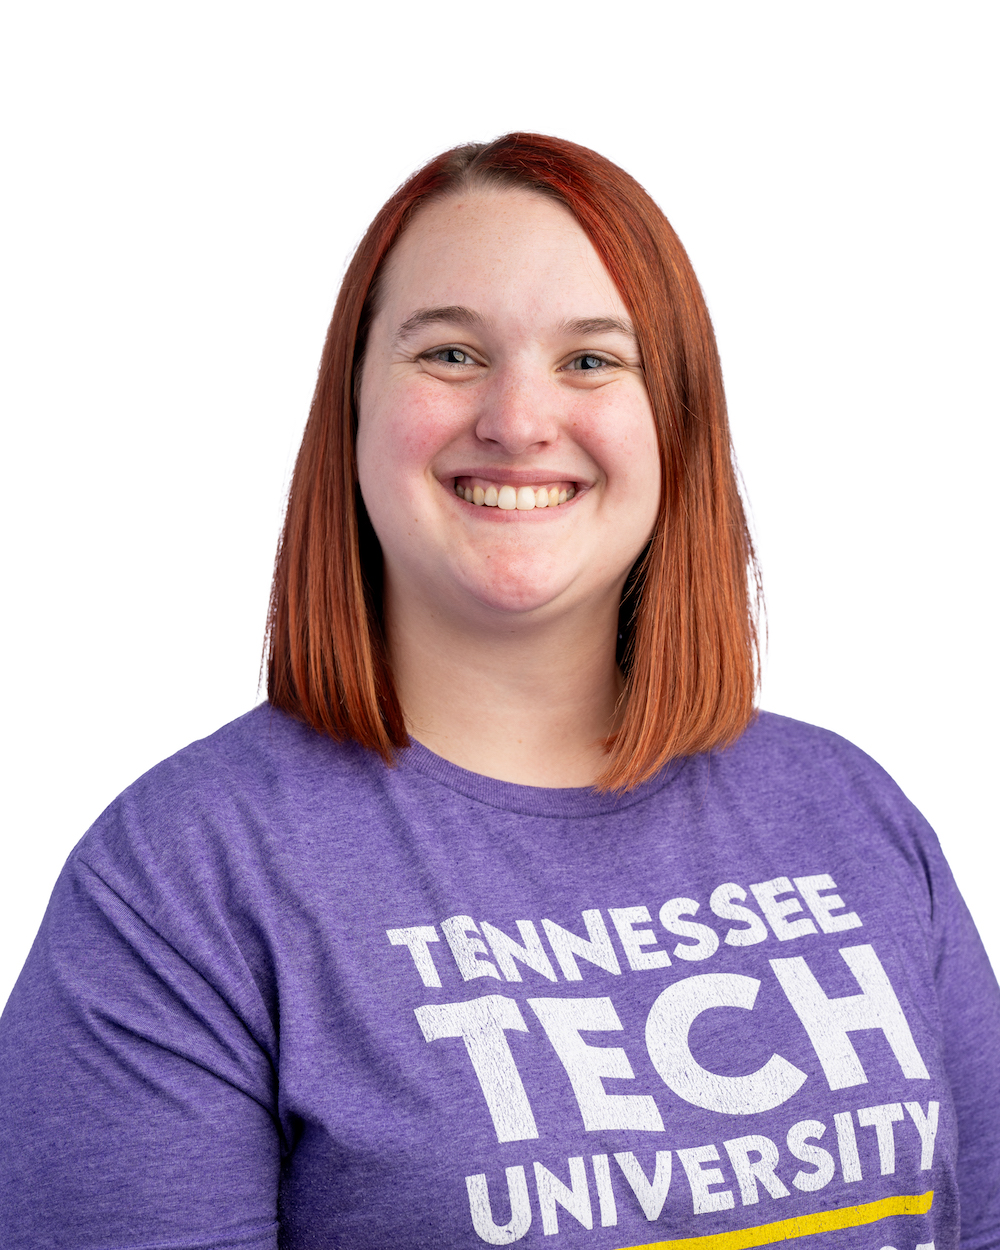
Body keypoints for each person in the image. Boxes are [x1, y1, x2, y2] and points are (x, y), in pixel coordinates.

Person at [1, 134, 997, 1250]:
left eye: (591, 361)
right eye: (451, 353)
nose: (518, 421)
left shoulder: (848, 812)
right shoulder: (178, 882)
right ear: (352, 409)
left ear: (677, 420)